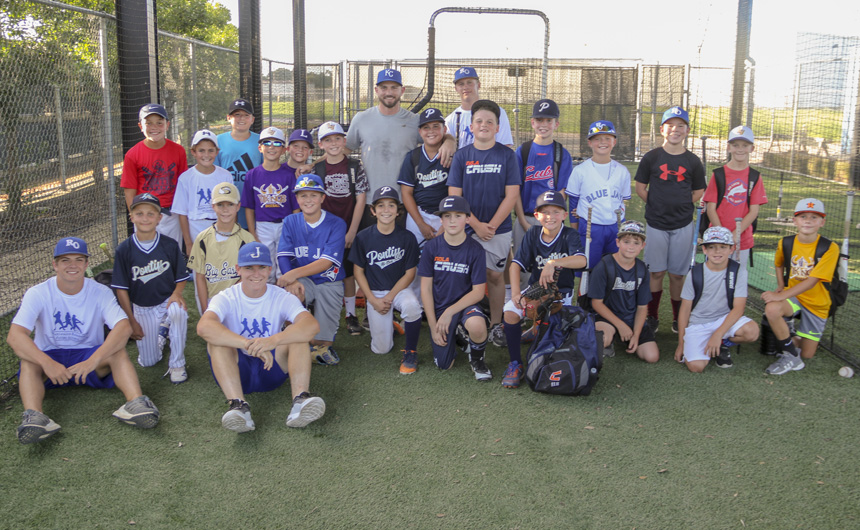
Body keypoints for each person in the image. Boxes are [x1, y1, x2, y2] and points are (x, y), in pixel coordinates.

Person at [7, 237, 160, 444]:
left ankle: (136, 404)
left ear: (87, 264)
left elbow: (123, 327)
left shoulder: (100, 291)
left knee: (117, 352)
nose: (73, 265)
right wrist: (47, 363)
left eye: (79, 260)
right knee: (29, 360)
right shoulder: (38, 293)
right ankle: (35, 417)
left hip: (88, 357)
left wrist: (93, 361)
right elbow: (15, 336)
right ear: (55, 265)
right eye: (65, 260)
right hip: (51, 358)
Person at [197, 242, 325, 432]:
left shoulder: (281, 295)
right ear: (238, 269)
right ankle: (238, 406)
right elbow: (204, 327)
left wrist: (272, 341)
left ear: (270, 269)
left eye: (262, 268)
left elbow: (311, 325)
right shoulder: (225, 297)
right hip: (237, 370)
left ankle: (300, 400)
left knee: (298, 336)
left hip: (271, 367)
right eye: (249, 268)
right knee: (217, 342)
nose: (256, 274)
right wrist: (249, 344)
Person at [448, 99, 520, 348]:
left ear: (498, 127)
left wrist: (491, 225)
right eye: (479, 121)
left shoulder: (507, 155)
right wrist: (476, 224)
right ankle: (464, 321)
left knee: (495, 275)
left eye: (490, 121)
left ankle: (496, 324)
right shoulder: (461, 156)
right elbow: (455, 196)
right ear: (471, 126)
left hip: (497, 229)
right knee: (464, 277)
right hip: (466, 227)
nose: (484, 125)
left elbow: (512, 194)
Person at [501, 191, 586, 388]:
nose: (550, 217)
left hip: (561, 295)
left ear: (564, 215)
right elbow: (515, 265)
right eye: (545, 212)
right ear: (537, 216)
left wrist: (553, 262)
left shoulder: (569, 234)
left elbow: (582, 260)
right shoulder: (532, 233)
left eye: (556, 212)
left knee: (552, 343)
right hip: (535, 291)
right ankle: (515, 363)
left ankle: (537, 328)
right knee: (510, 312)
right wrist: (515, 294)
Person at [634, 106, 706, 334]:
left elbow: (698, 191)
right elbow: (640, 187)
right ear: (662, 129)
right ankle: (653, 317)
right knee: (655, 272)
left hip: (683, 224)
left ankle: (677, 319)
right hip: (656, 224)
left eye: (680, 126)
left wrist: (682, 206)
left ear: (687, 130)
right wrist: (656, 204)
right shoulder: (652, 157)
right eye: (671, 125)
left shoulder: (693, 161)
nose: (675, 130)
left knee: (677, 274)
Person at [346, 69, 455, 218]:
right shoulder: (361, 119)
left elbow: (435, 136)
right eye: (384, 87)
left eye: (394, 87)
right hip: (371, 201)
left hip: (403, 201)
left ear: (402, 90)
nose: (389, 92)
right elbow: (344, 149)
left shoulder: (414, 121)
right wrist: (313, 165)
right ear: (376, 90)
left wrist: (450, 140)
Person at [112, 193, 191, 384]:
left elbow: (181, 277)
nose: (145, 218)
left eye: (150, 214)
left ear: (159, 218)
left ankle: (177, 364)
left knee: (178, 312)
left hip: (166, 301)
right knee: (148, 362)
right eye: (139, 214)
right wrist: (131, 320)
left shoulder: (169, 245)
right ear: (131, 217)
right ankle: (162, 333)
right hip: (142, 308)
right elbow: (121, 289)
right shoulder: (124, 249)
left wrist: (176, 293)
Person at [761, 198, 838, 375]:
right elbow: (779, 264)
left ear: (822, 222)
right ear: (795, 221)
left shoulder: (830, 248)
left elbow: (812, 281)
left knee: (807, 354)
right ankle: (790, 356)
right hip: (794, 297)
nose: (808, 221)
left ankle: (791, 337)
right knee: (772, 309)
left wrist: (780, 295)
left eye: (814, 217)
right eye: (803, 216)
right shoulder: (786, 243)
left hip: (817, 303)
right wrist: (781, 286)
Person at [350, 187, 422, 373]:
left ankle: (411, 352)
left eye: (391, 205)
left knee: (412, 306)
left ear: (398, 211)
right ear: (373, 211)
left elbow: (410, 274)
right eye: (380, 206)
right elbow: (358, 272)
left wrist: (389, 298)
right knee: (381, 350)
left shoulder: (407, 237)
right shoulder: (363, 237)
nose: (386, 210)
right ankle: (390, 324)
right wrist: (373, 300)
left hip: (398, 290)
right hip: (374, 293)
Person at [418, 196, 490, 381]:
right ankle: (458, 334)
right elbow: (425, 289)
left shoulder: (475, 250)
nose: (452, 220)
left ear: (467, 219)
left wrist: (450, 312)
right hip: (440, 308)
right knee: (444, 365)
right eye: (447, 216)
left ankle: (477, 360)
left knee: (477, 325)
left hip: (465, 305)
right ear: (441, 220)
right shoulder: (432, 248)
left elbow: (478, 292)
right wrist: (434, 326)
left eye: (458, 215)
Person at [276, 174, 346, 366]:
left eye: (313, 195)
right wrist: (292, 281)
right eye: (303, 195)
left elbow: (326, 262)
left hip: (329, 280)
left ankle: (308, 346)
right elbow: (283, 255)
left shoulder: (336, 223)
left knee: (321, 342)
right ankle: (290, 339)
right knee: (291, 294)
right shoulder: (291, 221)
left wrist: (292, 274)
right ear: (297, 199)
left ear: (322, 197)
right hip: (304, 280)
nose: (308, 200)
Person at [675, 227, 759, 372]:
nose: (717, 251)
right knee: (696, 367)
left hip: (724, 319)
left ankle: (722, 343)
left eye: (722, 247)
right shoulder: (695, 273)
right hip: (699, 323)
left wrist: (718, 334)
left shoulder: (738, 271)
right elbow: (685, 309)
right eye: (712, 247)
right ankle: (709, 343)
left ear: (731, 249)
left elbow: (739, 308)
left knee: (752, 332)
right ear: (705, 250)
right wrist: (681, 344)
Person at [314, 121, 368, 335]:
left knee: (347, 272)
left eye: (337, 138)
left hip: (348, 227)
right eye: (328, 140)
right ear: (321, 144)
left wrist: (352, 230)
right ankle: (319, 311)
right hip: (325, 231)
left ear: (344, 141)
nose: (333, 143)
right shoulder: (317, 169)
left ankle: (350, 315)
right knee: (322, 269)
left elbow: (361, 199)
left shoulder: (355, 166)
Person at [513, 99, 574, 291]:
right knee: (523, 270)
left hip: (552, 221)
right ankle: (524, 312)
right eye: (539, 120)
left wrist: (551, 220)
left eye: (549, 120)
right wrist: (522, 220)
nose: (544, 125)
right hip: (526, 218)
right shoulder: (523, 152)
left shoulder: (562, 154)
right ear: (532, 123)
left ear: (556, 124)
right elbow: (514, 190)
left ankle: (550, 314)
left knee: (551, 268)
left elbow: (562, 191)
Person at [567, 120, 631, 272]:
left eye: (607, 138)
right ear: (590, 142)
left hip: (615, 227)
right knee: (587, 269)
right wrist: (575, 231)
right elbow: (573, 203)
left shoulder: (622, 171)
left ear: (614, 141)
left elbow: (623, 200)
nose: (603, 142)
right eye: (597, 139)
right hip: (590, 226)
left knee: (614, 271)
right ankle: (586, 297)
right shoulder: (580, 171)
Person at [589, 221, 658, 363]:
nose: (631, 247)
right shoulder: (604, 265)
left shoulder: (642, 269)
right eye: (626, 242)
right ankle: (611, 340)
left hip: (631, 318)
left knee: (652, 357)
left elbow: (642, 306)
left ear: (643, 246)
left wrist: (636, 334)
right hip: (607, 318)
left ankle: (627, 338)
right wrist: (621, 326)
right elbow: (596, 303)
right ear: (618, 242)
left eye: (636, 243)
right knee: (603, 339)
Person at [120, 103, 188, 244]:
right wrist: (136, 216)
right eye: (148, 123)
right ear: (141, 126)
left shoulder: (178, 151)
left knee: (170, 254)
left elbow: (184, 186)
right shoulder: (133, 155)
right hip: (146, 215)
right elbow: (129, 191)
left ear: (167, 125)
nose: (154, 127)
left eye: (159, 123)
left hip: (171, 214)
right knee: (147, 257)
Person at [702, 125, 767, 271]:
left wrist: (734, 235)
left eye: (745, 145)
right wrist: (722, 235)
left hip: (741, 240)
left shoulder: (754, 177)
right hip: (717, 239)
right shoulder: (718, 174)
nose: (740, 149)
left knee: (737, 278)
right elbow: (711, 209)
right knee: (714, 276)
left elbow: (753, 211)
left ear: (752, 148)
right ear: (729, 147)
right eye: (735, 145)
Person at [242, 127, 301, 283]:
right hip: (263, 225)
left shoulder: (289, 175)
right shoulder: (252, 175)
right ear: (260, 148)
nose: (271, 147)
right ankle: (266, 300)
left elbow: (296, 207)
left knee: (284, 265)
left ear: (283, 150)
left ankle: (283, 298)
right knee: (265, 265)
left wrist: (293, 230)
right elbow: (249, 207)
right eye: (267, 142)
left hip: (285, 224)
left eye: (277, 143)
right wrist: (253, 233)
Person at [186, 182, 256, 314]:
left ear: (238, 206)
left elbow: (251, 274)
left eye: (230, 204)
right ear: (213, 206)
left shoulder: (247, 239)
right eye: (220, 205)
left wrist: (228, 298)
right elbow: (200, 277)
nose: (225, 210)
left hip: (239, 299)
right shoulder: (202, 238)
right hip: (212, 301)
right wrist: (205, 309)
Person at [172, 129, 233, 253]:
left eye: (211, 150)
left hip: (221, 225)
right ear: (193, 152)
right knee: (199, 269)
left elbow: (232, 207)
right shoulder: (185, 178)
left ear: (217, 152)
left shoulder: (225, 176)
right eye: (201, 150)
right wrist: (188, 243)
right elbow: (182, 213)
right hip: (196, 227)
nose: (206, 155)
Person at [399, 107, 450, 248]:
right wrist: (421, 224)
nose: (431, 131)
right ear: (420, 132)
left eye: (436, 126)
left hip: (446, 214)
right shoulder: (413, 157)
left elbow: (457, 193)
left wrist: (447, 223)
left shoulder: (452, 156)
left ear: (444, 129)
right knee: (416, 260)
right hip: (419, 214)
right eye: (426, 127)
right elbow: (406, 193)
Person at [215, 98, 261, 229]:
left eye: (246, 115)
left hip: (253, 206)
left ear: (252, 119)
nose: (242, 118)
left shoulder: (260, 141)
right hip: (226, 206)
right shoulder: (218, 140)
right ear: (229, 118)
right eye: (237, 115)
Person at [444, 67, 514, 148]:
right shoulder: (451, 119)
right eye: (461, 84)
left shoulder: (497, 112)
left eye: (469, 82)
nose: (465, 87)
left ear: (479, 85)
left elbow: (505, 146)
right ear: (456, 89)